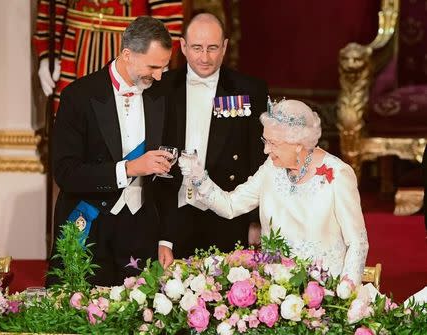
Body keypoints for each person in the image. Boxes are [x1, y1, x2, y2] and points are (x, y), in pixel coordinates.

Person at [179, 99, 369, 285]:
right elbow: (231, 205)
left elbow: (358, 243)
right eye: (265, 140)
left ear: (298, 144)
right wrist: (199, 178)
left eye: (273, 143)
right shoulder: (271, 168)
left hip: (324, 294)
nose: (265, 149)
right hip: (274, 291)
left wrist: (345, 291)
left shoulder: (338, 175)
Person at [49, 16, 174, 287]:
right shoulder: (78, 96)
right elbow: (66, 173)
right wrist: (128, 169)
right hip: (89, 226)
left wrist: (166, 238)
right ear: (127, 54)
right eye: (153, 66)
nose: (159, 75)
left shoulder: (162, 95)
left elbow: (170, 179)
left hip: (142, 231)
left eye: (164, 67)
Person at [152, 13, 268, 258]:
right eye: (196, 48)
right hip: (174, 209)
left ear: (225, 46)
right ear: (182, 46)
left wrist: (255, 220)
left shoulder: (248, 89)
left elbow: (258, 158)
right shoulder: (161, 88)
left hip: (227, 211)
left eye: (212, 48)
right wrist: (162, 230)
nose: (204, 57)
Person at [33, 0, 183, 111]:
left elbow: (168, 11)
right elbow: (53, 6)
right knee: (71, 113)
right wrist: (46, 52)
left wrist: (158, 57)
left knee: (127, 119)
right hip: (75, 46)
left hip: (131, 46)